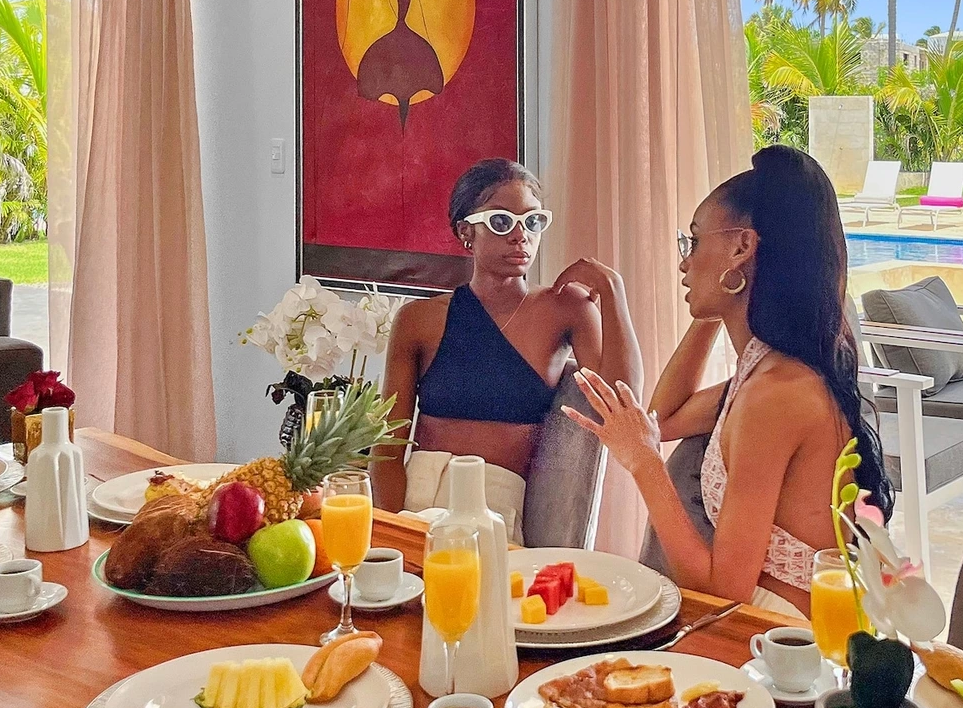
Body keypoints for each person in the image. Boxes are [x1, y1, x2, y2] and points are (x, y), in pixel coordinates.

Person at [565, 146, 893, 617]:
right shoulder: (764, 369)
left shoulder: (777, 394)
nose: (684, 263)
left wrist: (642, 461)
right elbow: (665, 418)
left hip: (783, 634)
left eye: (694, 241)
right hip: (763, 616)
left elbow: (726, 588)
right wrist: (716, 303)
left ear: (741, 247)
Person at [371, 159, 641, 543]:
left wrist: (612, 291)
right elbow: (388, 446)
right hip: (417, 501)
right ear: (466, 231)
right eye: (501, 222)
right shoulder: (418, 319)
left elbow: (621, 403)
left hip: (497, 512)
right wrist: (391, 533)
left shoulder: (567, 308)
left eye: (533, 222)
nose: (520, 236)